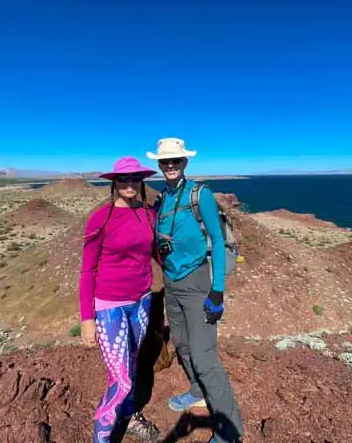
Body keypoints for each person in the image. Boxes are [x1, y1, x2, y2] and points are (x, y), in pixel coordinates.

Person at [147, 138, 244, 443]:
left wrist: (217, 292)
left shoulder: (199, 195)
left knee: (204, 358)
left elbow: (216, 239)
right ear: (159, 165)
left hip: (198, 282)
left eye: (176, 160)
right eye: (165, 162)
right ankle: (196, 390)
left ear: (185, 162)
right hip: (172, 284)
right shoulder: (161, 201)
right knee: (184, 346)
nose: (171, 166)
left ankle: (230, 431)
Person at [79, 156, 161, 443]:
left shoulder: (149, 214)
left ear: (141, 182)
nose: (129, 184)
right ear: (115, 183)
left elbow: (156, 254)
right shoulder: (101, 218)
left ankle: (128, 415)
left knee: (133, 364)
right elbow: (88, 269)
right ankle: (101, 438)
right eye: (123, 179)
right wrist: (87, 319)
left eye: (134, 178)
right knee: (122, 379)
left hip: (142, 300)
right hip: (109, 306)